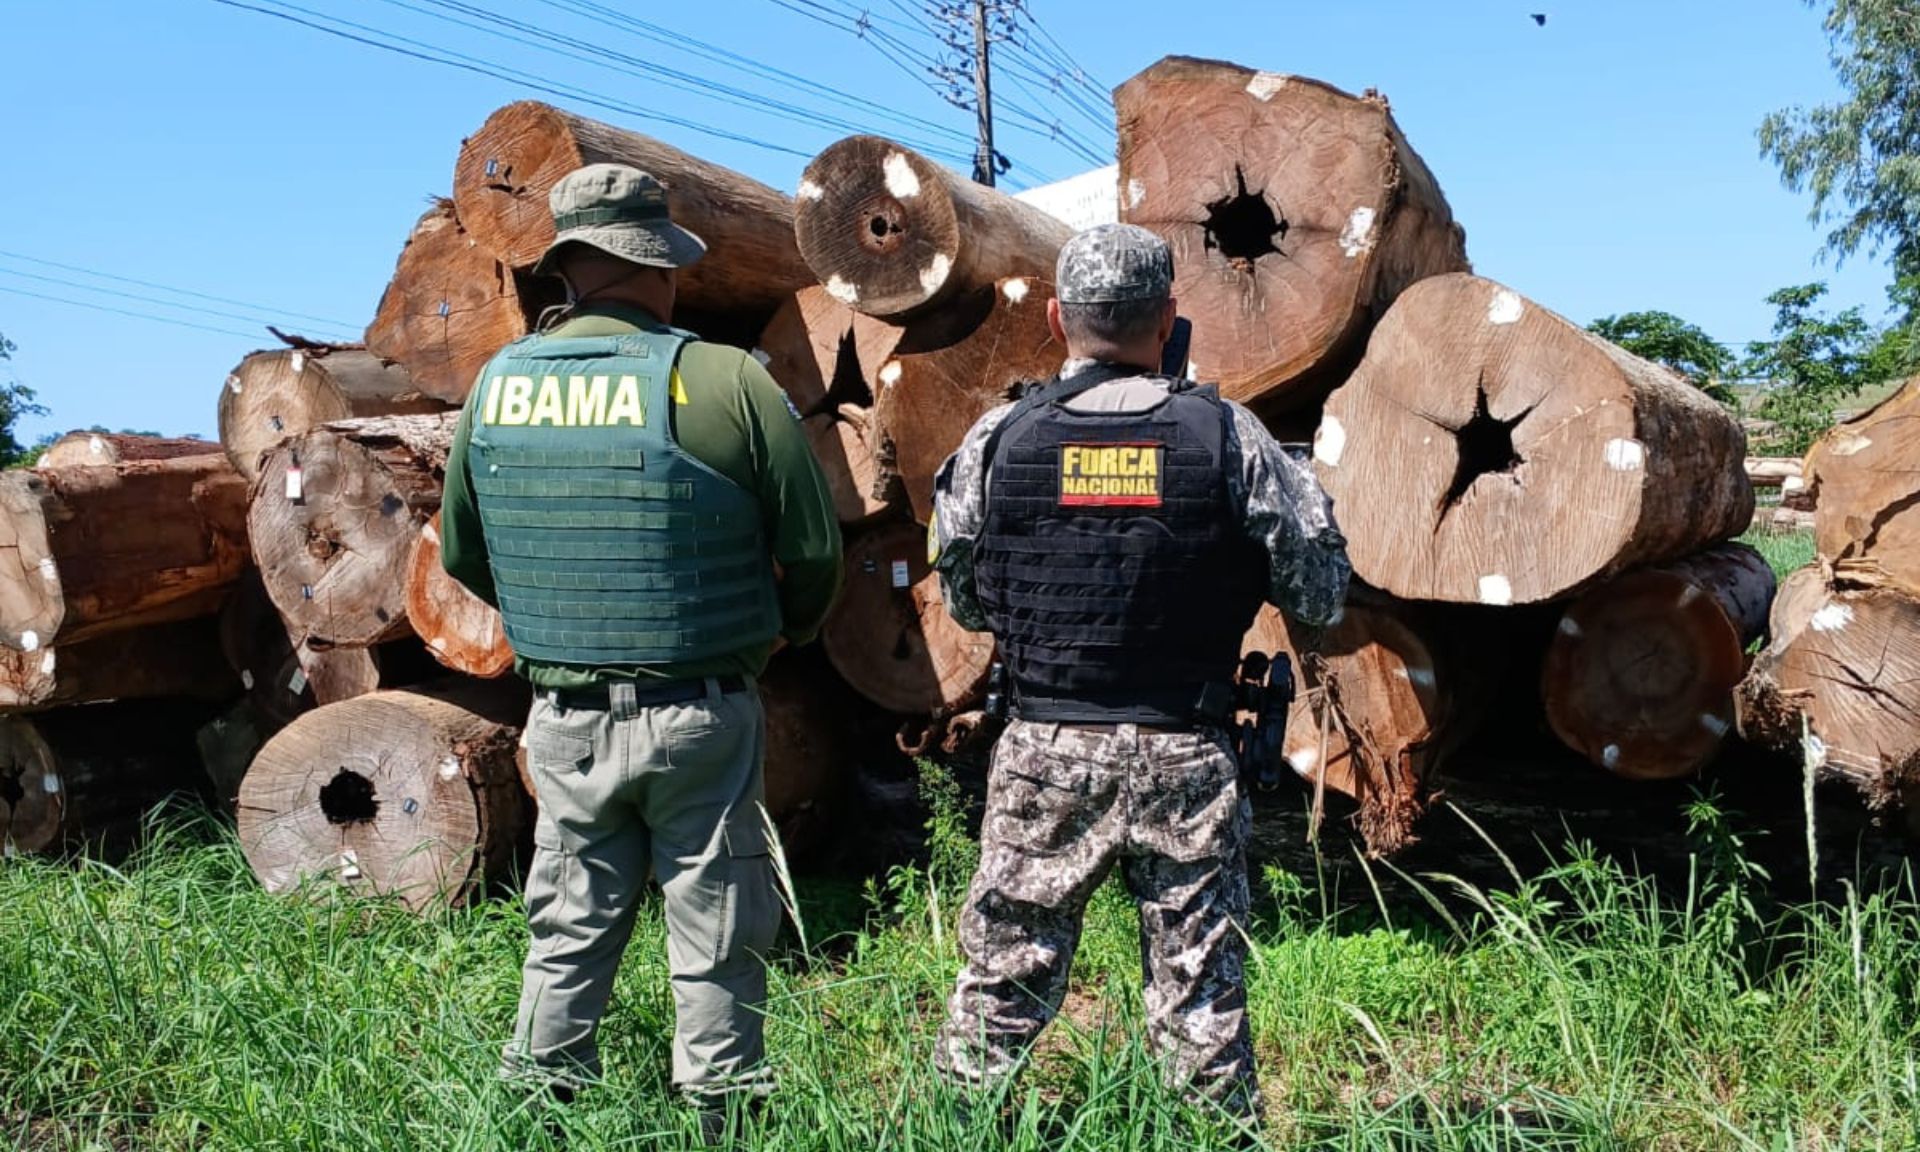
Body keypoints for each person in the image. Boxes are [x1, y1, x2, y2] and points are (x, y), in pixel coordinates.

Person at [439, 163, 843, 1134]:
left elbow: (463, 552)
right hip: (702, 707)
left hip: (564, 717)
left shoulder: (498, 389)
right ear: (657, 269)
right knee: (716, 925)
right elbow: (813, 548)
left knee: (568, 925)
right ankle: (722, 1114)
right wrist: (787, 631)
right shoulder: (722, 378)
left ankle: (535, 1111)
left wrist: (559, 625)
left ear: (569, 270)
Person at [926, 223, 1352, 1128]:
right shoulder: (1228, 434)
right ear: (1169, 317)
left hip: (1043, 746)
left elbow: (964, 602)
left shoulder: (1001, 437)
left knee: (1000, 984)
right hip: (1185, 751)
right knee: (1199, 1002)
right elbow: (1319, 590)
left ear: (1055, 319)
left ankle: (956, 1134)